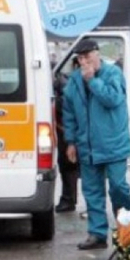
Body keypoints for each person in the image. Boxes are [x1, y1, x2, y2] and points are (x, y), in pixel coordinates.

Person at [62, 39, 130, 250]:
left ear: (97, 54)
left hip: (113, 145)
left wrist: (93, 81)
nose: (84, 61)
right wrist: (71, 142)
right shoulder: (74, 82)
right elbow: (69, 115)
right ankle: (97, 235)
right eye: (81, 58)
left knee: (118, 187)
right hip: (87, 147)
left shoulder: (113, 74)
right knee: (92, 192)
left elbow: (113, 99)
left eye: (88, 56)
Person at [54, 57, 81, 213]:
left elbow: (65, 107)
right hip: (68, 130)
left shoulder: (69, 84)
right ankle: (68, 199)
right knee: (69, 166)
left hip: (69, 130)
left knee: (69, 166)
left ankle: (68, 199)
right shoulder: (72, 82)